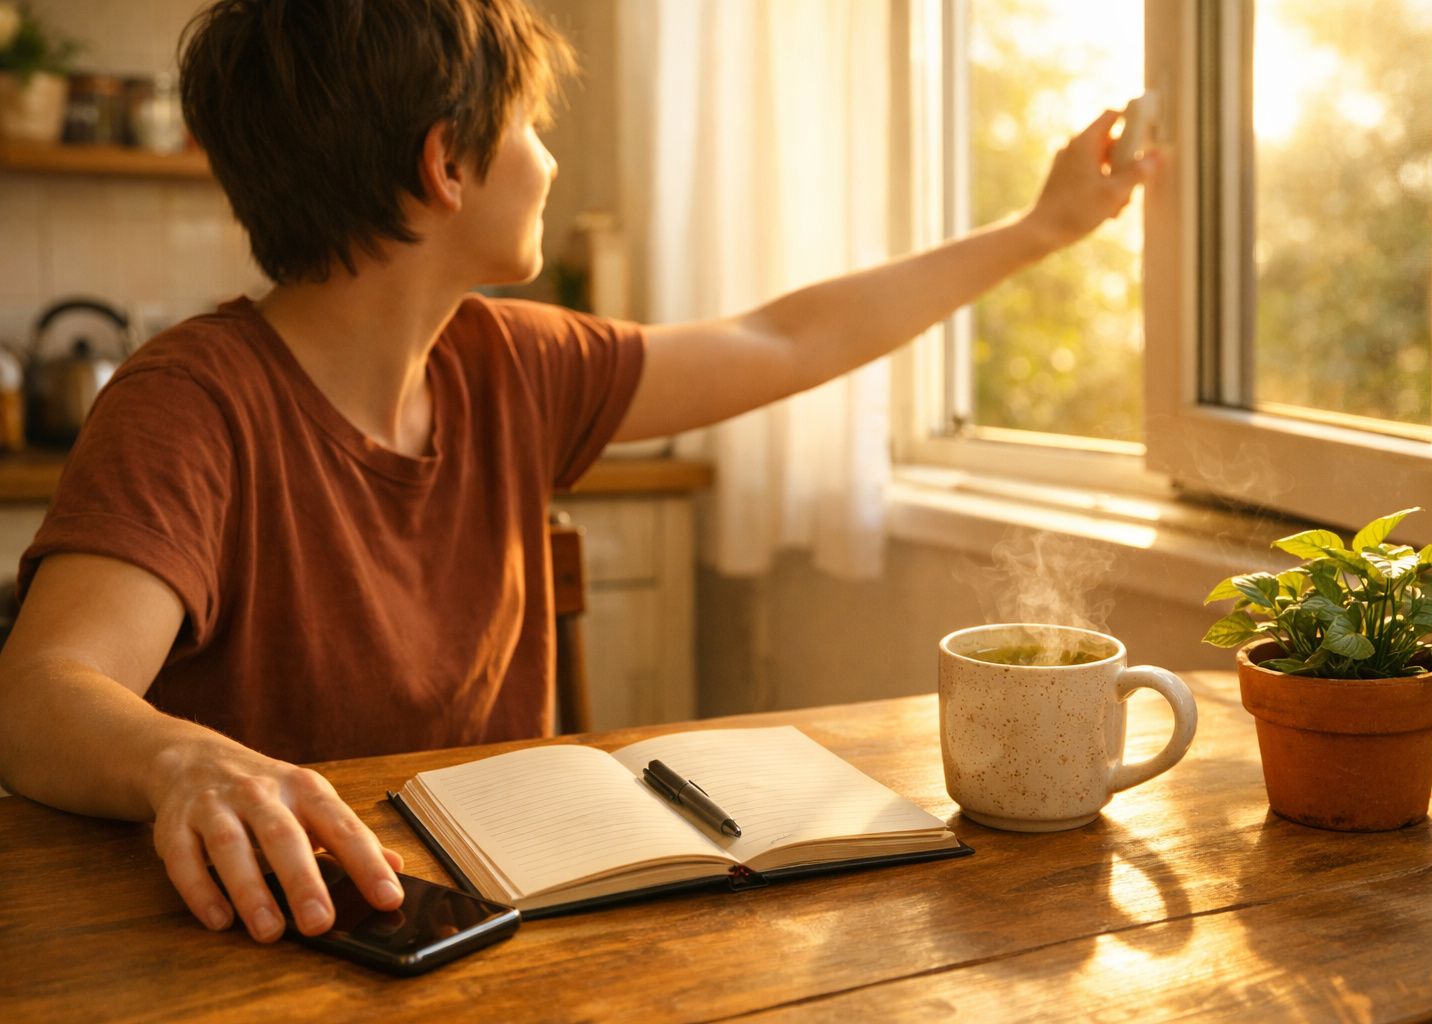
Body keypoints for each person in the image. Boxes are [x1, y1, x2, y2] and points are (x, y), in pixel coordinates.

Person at [0, 0, 1155, 948]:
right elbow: (39, 692)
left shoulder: (511, 362)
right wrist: (181, 762)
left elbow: (784, 339)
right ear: (445, 164)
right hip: (276, 955)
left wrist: (1042, 229)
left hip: (504, 938)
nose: (549, 159)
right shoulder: (188, 404)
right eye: (532, 126)